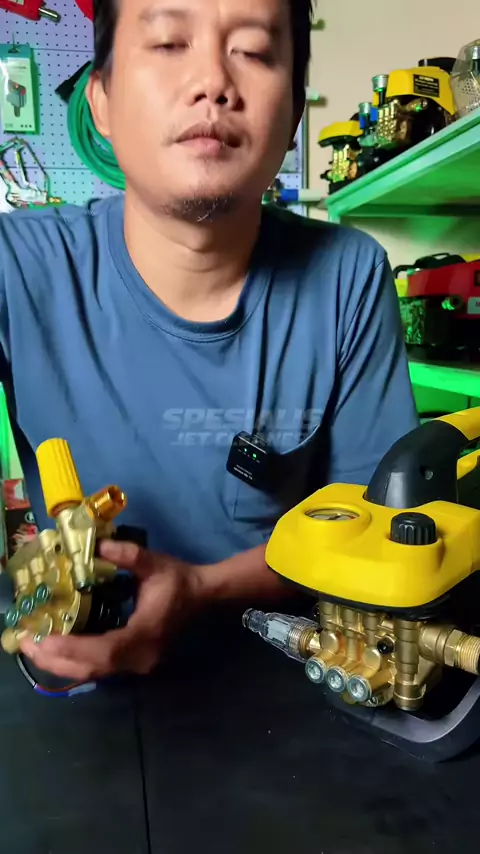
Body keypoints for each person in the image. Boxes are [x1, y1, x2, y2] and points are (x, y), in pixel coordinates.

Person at [0, 0, 418, 681]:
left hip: (291, 667)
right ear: (100, 102)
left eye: (252, 51)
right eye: (169, 43)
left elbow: (374, 527)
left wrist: (199, 590)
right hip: (79, 680)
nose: (213, 83)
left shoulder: (348, 275)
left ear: (293, 117)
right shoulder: (16, 266)